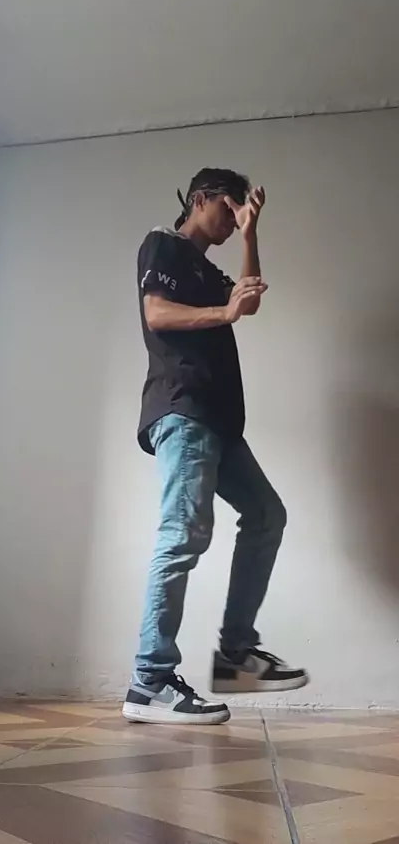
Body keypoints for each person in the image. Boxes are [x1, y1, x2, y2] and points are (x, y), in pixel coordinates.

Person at [123, 167, 308, 726]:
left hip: (220, 422)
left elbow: (246, 302)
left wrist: (250, 234)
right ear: (200, 198)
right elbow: (157, 312)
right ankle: (149, 682)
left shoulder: (208, 268)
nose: (233, 219)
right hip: (184, 410)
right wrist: (223, 312)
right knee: (182, 535)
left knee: (267, 514)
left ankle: (236, 655)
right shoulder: (164, 243)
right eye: (229, 209)